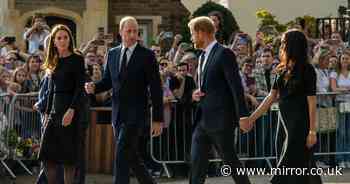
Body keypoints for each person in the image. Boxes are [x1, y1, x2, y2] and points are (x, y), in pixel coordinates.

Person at [84, 16, 163, 184]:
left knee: (121, 154)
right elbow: (107, 81)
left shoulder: (147, 55)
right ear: (121, 32)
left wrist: (157, 119)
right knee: (131, 157)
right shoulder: (112, 54)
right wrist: (94, 87)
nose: (133, 34)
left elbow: (156, 89)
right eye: (129, 31)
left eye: (136, 31)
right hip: (117, 114)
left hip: (136, 114)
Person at [240, 29, 322, 184]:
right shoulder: (281, 70)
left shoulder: (307, 70)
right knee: (297, 165)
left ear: (293, 45)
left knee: (290, 163)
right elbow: (270, 98)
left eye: (284, 42)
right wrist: (251, 119)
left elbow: (312, 101)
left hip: (300, 125)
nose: (281, 45)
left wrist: (312, 131)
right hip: (283, 124)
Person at [187, 16, 250, 184]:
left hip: (221, 122)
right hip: (202, 121)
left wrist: (243, 116)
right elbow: (206, 86)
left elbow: (236, 87)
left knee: (231, 162)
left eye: (193, 33)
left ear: (201, 33)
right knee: (196, 164)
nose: (191, 37)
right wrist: (195, 94)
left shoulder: (224, 53)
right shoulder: (201, 57)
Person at [38, 24, 86, 184]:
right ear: (54, 41)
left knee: (68, 159)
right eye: (59, 38)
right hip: (53, 112)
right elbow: (50, 90)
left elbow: (80, 88)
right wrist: (45, 113)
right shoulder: (53, 61)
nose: (63, 40)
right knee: (46, 156)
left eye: (65, 37)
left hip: (70, 110)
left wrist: (72, 110)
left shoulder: (77, 59)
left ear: (70, 39)